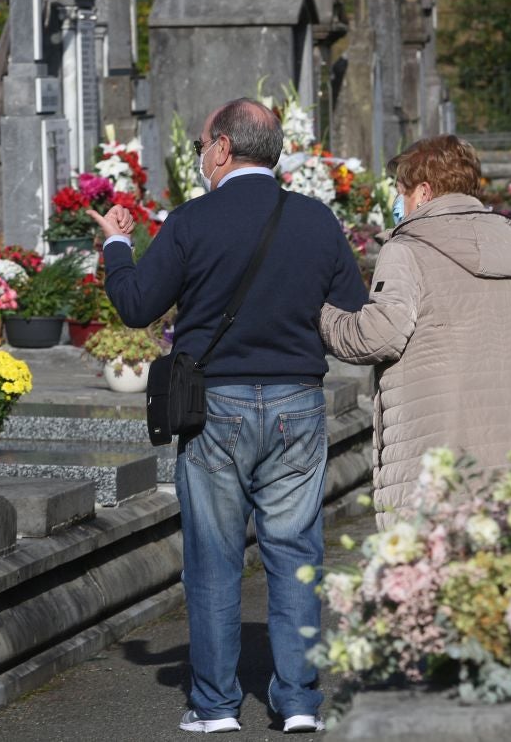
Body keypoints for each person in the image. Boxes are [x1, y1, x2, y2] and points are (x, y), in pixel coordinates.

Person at [88, 98, 367, 735]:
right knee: (296, 553)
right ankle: (297, 701)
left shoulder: (193, 221)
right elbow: (350, 308)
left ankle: (215, 706)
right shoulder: (316, 220)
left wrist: (119, 246)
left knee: (214, 557)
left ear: (220, 149)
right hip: (297, 402)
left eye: (201, 148)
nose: (201, 158)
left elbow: (136, 307)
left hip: (216, 406)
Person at [319, 135, 511, 527]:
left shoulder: (406, 250)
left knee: (446, 574)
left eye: (400, 191)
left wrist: (322, 315)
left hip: (439, 450)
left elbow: (378, 335)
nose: (397, 202)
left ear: (423, 193)